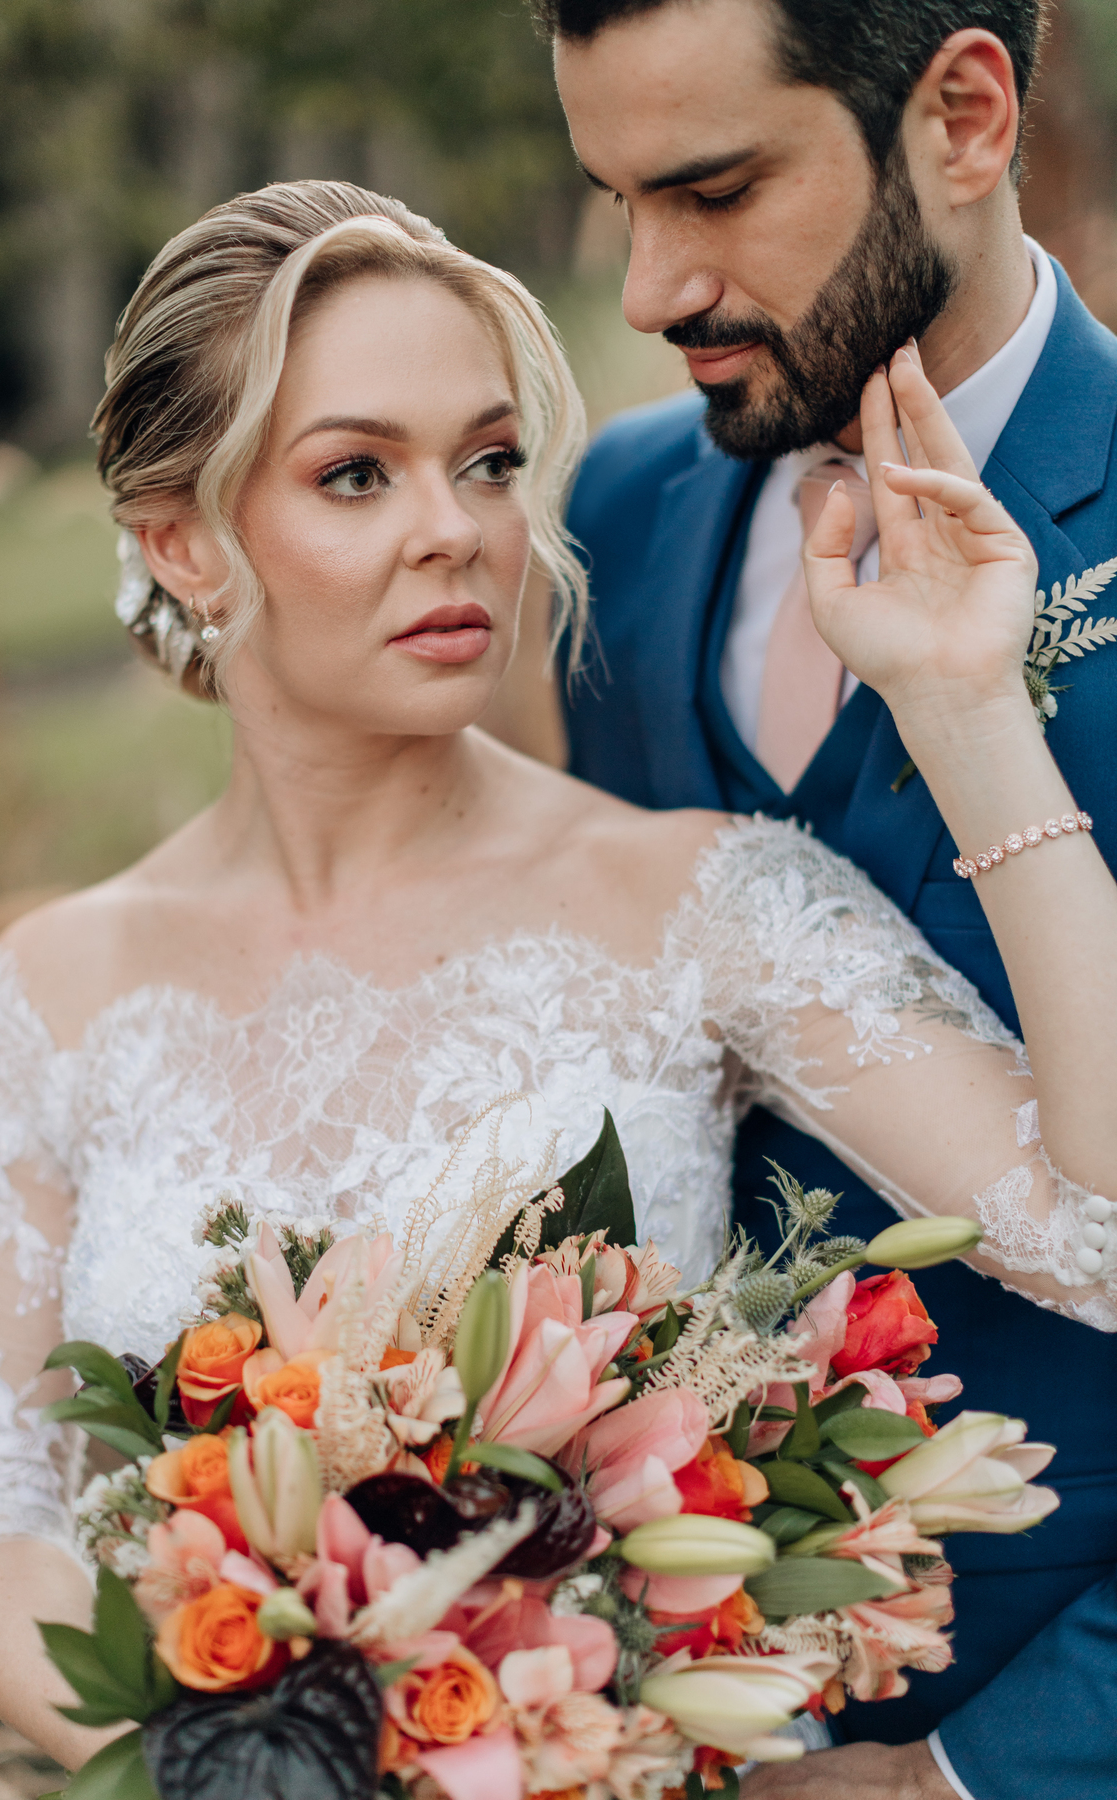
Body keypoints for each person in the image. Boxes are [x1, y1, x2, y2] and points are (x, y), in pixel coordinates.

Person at [0, 180, 1115, 1780]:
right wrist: (226, 1760)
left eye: (488, 462)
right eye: (357, 473)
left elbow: (1100, 1231)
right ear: (180, 539)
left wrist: (967, 710)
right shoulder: (48, 988)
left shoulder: (699, 899)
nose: (457, 529)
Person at [537, 2, 1117, 1795]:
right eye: (618, 200)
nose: (650, 289)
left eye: (713, 190)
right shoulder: (626, 517)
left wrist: (970, 1777)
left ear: (960, 116)